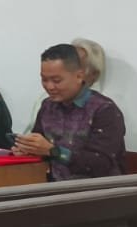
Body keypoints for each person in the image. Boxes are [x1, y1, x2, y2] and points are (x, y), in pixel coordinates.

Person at [13, 43, 127, 180]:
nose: (49, 87)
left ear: (79, 76)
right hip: (54, 186)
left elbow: (101, 163)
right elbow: (41, 148)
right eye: (44, 79)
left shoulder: (104, 110)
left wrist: (53, 151)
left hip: (98, 189)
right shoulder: (48, 106)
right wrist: (28, 149)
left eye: (56, 80)